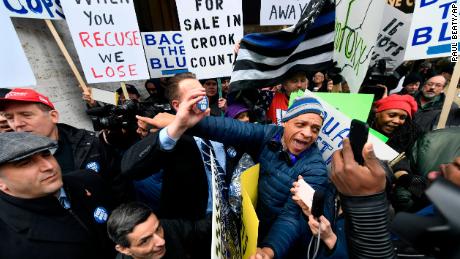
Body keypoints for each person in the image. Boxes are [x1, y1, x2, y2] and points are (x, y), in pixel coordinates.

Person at [167, 87, 329, 258]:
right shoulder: (271, 133)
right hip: (253, 227)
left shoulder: (315, 170)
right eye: (301, 124)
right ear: (285, 122)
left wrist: (269, 250)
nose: (307, 133)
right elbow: (232, 128)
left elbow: (291, 218)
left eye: (315, 129)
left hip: (284, 244)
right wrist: (182, 124)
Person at [121, 73, 225, 258]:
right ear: (177, 105)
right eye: (195, 98)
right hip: (190, 232)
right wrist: (177, 126)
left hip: (230, 225)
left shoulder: (223, 127)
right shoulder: (172, 136)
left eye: (203, 96)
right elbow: (130, 168)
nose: (202, 102)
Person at [0, 88, 129, 202]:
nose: (17, 124)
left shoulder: (90, 143)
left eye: (26, 115)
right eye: (10, 118)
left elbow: (119, 185)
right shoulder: (8, 164)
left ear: (54, 116)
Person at [0, 132, 115, 258]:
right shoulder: (6, 236)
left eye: (46, 154)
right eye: (25, 163)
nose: (48, 166)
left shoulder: (88, 180)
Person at [108, 202, 212, 259]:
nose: (161, 241)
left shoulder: (167, 226)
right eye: (145, 241)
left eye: (158, 229)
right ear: (124, 249)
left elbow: (198, 229)